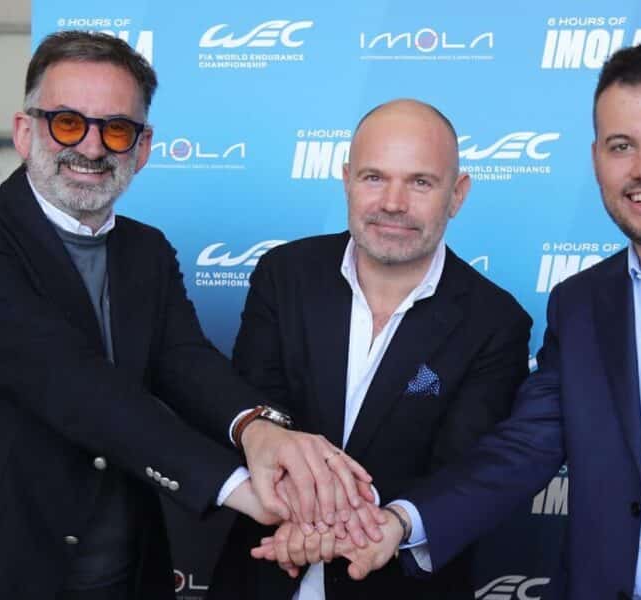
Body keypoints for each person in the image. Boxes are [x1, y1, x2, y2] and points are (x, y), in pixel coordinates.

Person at [255, 41, 641, 599]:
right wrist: (398, 523)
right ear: (596, 159)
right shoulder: (581, 304)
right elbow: (521, 450)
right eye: (621, 146)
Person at [0, 31, 373, 600]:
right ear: (24, 131)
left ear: (142, 146)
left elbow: (186, 362)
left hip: (118, 570)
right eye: (66, 123)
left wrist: (259, 430)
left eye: (115, 129)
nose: (90, 147)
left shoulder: (146, 251)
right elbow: (72, 384)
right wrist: (240, 486)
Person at [210, 99, 531, 599]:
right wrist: (299, 505)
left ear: (457, 194)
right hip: (265, 572)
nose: (393, 203)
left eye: (420, 182)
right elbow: (256, 408)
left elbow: (460, 467)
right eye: (374, 177)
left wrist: (350, 524)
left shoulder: (496, 321)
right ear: (347, 179)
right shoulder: (284, 274)